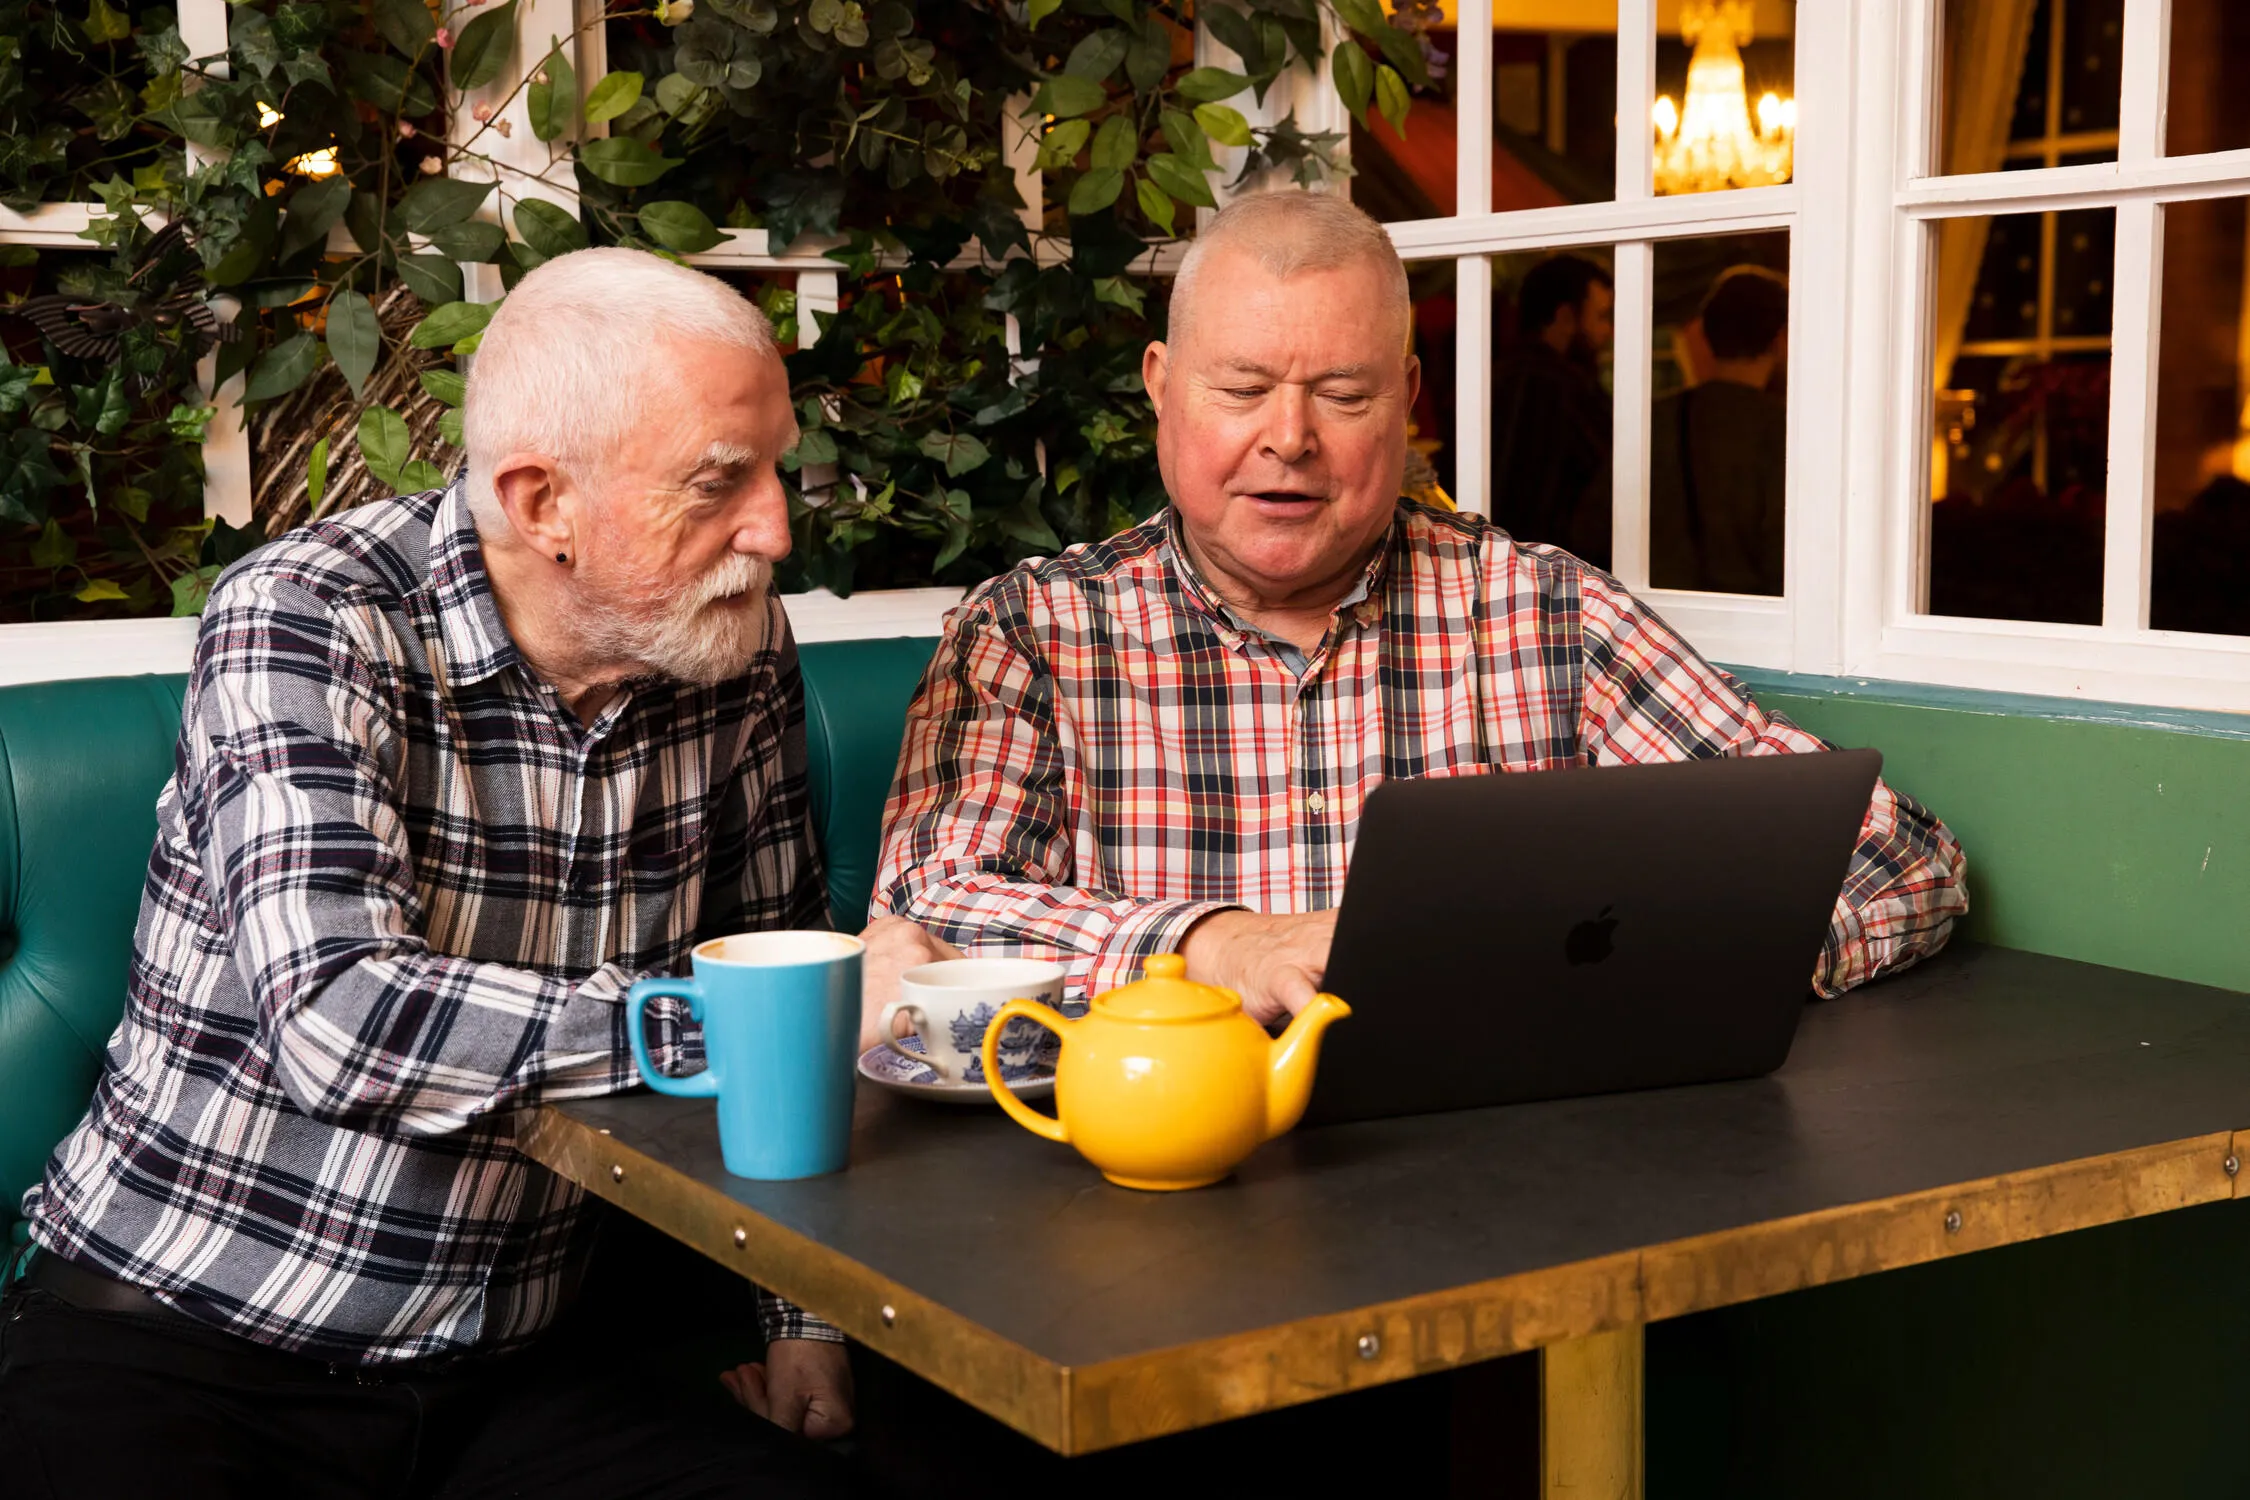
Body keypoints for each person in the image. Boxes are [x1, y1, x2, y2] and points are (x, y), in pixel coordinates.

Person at [0, 248, 955, 1498]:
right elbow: (341, 1024)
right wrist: (773, 1020)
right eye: (721, 482)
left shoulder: (732, 638)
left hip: (517, 1368)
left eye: (776, 467)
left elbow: (771, 948)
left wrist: (804, 1329)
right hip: (179, 1339)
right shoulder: (309, 618)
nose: (776, 526)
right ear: (541, 502)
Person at [873, 191, 1968, 1034]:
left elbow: (1900, 856)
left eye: (1343, 396)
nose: (1290, 438)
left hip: (1499, 1196)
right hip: (1148, 1194)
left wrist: (1644, 969)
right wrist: (1211, 944)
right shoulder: (1031, 632)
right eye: (1243, 389)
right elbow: (931, 905)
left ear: (1407, 399)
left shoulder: (1544, 615)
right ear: (1161, 386)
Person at [1650, 265, 1790, 595]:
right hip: (1755, 619)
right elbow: (1784, 550)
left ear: (1708, 335)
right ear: (1780, 338)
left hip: (1660, 618)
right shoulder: (1787, 427)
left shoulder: (1659, 417)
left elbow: (1593, 526)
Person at [1489, 252, 1615, 564]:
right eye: (1601, 317)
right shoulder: (1568, 388)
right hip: (1557, 577)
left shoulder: (1489, 379)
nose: (1607, 333)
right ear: (1566, 317)